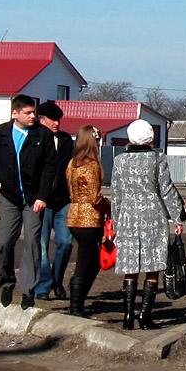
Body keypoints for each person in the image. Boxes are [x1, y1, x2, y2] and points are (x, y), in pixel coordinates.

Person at [0, 94, 59, 310]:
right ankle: (7, 281)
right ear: (15, 114)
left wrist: (43, 196)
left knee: (33, 242)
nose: (33, 116)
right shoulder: (0, 133)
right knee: (5, 241)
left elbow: (50, 166)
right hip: (9, 196)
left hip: (34, 198)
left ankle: (28, 290)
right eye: (28, 113)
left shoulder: (42, 135)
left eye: (34, 112)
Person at [111, 119, 185, 330]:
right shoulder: (157, 159)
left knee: (130, 266)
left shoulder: (119, 161)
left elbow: (116, 194)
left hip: (127, 217)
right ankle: (145, 316)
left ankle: (127, 316)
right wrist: (178, 217)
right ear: (150, 138)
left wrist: (116, 221)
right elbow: (167, 190)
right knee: (152, 267)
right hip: (153, 216)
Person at [32, 100, 74, 301]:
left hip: (63, 200)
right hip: (41, 201)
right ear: (42, 120)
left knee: (65, 242)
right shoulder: (34, 138)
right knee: (41, 246)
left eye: (59, 120)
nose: (57, 123)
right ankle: (43, 286)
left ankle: (57, 281)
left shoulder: (66, 140)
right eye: (53, 119)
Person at [64, 124, 106, 317]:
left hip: (73, 215)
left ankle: (77, 303)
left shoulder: (72, 164)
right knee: (85, 263)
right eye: (97, 140)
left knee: (92, 262)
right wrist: (109, 206)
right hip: (88, 219)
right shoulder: (91, 165)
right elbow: (94, 197)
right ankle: (76, 307)